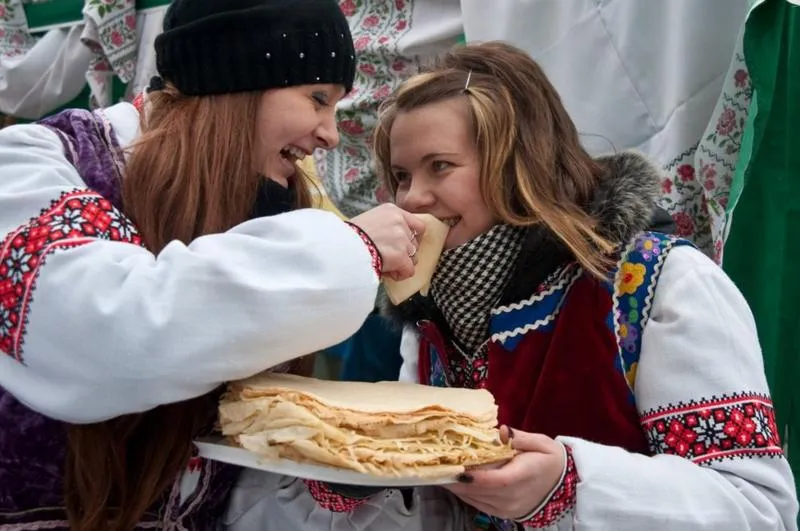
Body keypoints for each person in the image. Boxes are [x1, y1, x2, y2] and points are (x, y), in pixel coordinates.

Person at [223, 41, 798, 530]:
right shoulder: (428, 318)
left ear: (519, 163)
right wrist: (363, 479)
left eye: (439, 167)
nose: (410, 198)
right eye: (401, 175)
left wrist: (571, 483)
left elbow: (758, 507)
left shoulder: (657, 284)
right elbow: (440, 509)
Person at [0, 0, 428, 529]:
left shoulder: (251, 209)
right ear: (236, 76)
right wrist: (352, 247)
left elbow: (229, 491)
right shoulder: (33, 164)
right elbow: (108, 336)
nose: (330, 134)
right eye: (317, 98)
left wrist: (333, 486)